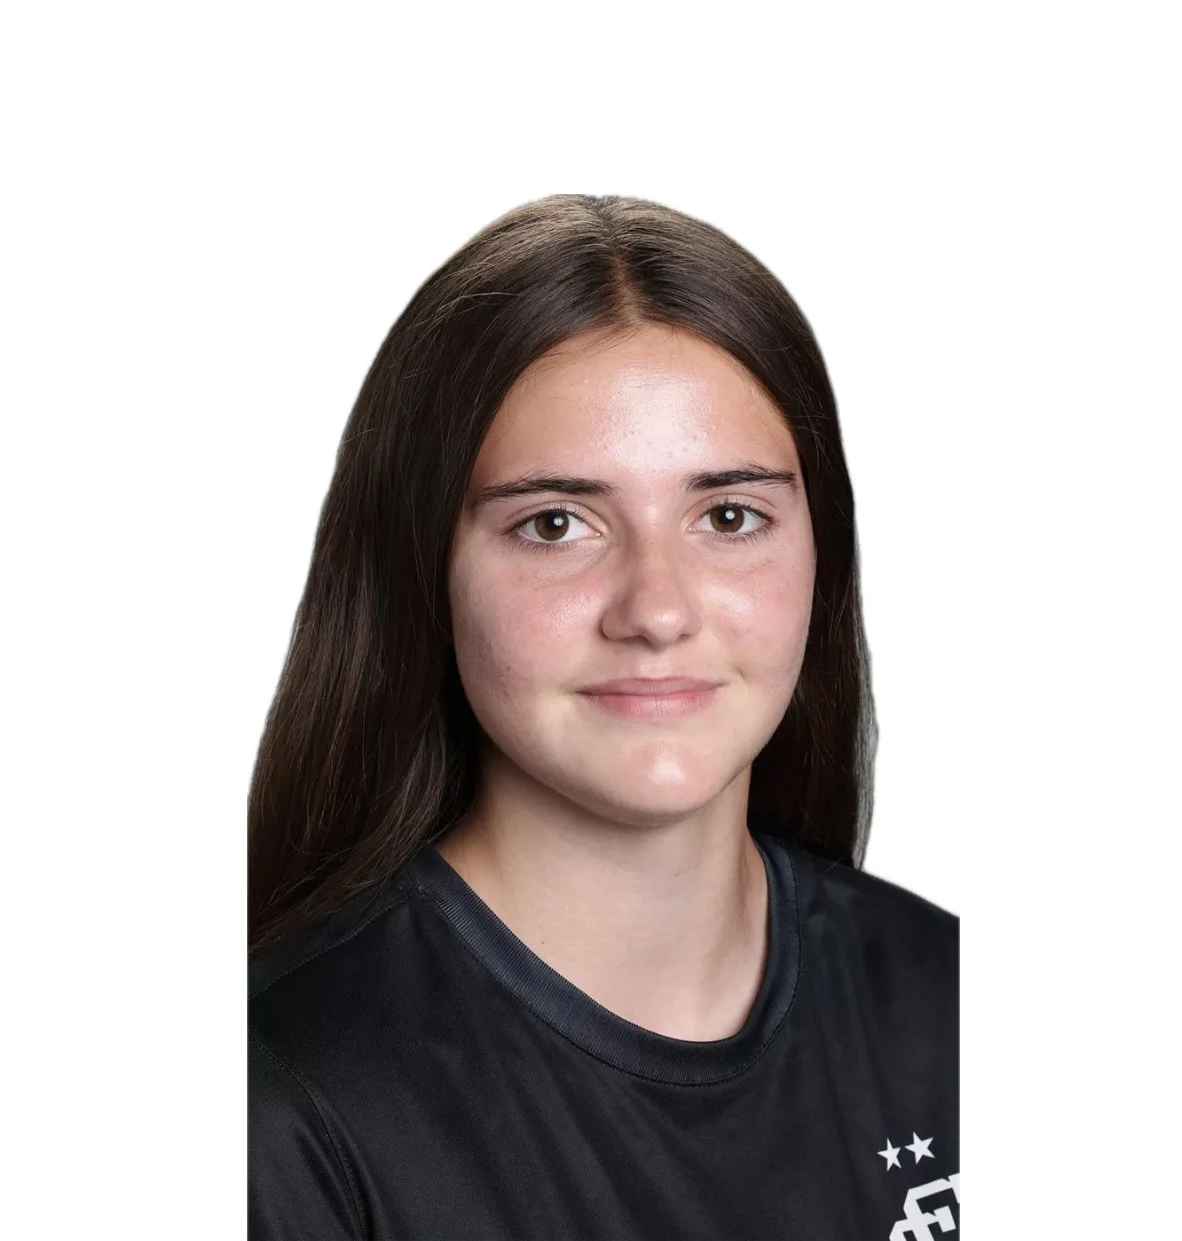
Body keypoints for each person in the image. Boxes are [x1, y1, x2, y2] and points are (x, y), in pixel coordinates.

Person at [248, 194, 958, 1241]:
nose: (658, 608)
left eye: (729, 515)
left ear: (824, 557)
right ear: (422, 569)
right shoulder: (277, 1108)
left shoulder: (960, 1004)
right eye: (555, 523)